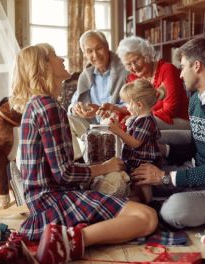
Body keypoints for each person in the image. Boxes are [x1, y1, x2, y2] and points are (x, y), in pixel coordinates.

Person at [9, 43, 157, 260]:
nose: (62, 59)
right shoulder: (48, 107)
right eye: (55, 55)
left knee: (132, 197)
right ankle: (68, 240)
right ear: (44, 66)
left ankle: (69, 235)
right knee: (148, 217)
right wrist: (106, 167)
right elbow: (64, 173)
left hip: (42, 199)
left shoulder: (37, 104)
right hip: (51, 202)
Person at [131, 36, 205, 229]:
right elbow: (197, 143)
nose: (180, 75)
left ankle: (163, 207)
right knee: (139, 180)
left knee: (173, 211)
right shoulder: (196, 99)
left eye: (182, 67)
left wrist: (163, 177)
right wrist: (164, 149)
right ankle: (160, 204)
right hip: (195, 171)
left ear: (197, 66)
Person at [68, 30, 128, 157]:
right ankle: (78, 163)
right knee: (67, 120)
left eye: (99, 48)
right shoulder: (86, 75)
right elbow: (72, 105)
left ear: (106, 46)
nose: (95, 55)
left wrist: (105, 111)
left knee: (107, 121)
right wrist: (76, 108)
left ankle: (108, 162)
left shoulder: (124, 70)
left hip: (115, 123)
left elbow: (130, 105)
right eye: (89, 51)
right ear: (85, 54)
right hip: (92, 125)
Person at [110, 36, 190, 131]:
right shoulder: (133, 78)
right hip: (150, 118)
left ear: (146, 55)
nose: (134, 67)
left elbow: (170, 109)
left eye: (136, 61)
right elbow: (133, 107)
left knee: (136, 124)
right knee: (113, 122)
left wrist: (138, 117)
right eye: (128, 64)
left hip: (177, 119)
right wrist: (116, 112)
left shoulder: (167, 70)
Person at [108, 79, 164, 203]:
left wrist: (118, 131)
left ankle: (149, 203)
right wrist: (118, 126)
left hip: (144, 160)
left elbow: (135, 142)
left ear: (139, 105)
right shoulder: (137, 119)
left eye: (128, 103)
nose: (127, 107)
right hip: (135, 159)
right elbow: (129, 135)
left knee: (143, 182)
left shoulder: (147, 121)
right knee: (135, 182)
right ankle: (138, 198)